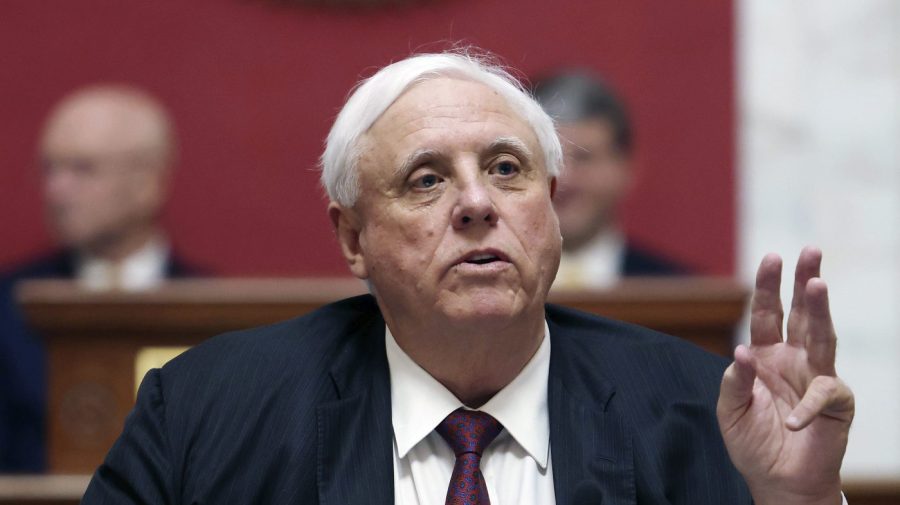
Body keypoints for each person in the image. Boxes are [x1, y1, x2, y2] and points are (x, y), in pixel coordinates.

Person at [82, 52, 853, 504]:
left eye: (507, 169)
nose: (478, 203)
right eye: (425, 179)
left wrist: (799, 504)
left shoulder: (698, 415)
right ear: (353, 236)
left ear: (550, 210)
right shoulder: (204, 414)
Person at [0, 85, 201, 472]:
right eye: (49, 168)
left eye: (82, 168)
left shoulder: (211, 311)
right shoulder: (10, 305)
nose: (56, 190)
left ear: (147, 183)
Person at [533, 72, 684, 289]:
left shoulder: (678, 297)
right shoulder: (487, 290)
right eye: (550, 158)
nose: (565, 178)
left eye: (584, 157)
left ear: (624, 167)